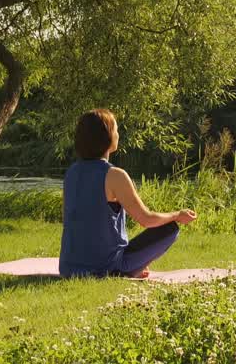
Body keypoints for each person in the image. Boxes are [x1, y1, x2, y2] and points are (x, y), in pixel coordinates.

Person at [59, 108, 197, 278]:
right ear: (107, 136)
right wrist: (177, 215)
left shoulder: (71, 173)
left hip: (68, 267)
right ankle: (128, 269)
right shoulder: (115, 175)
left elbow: (69, 220)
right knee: (170, 229)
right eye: (116, 129)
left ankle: (130, 267)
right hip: (105, 267)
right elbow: (146, 219)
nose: (118, 134)